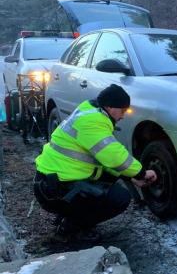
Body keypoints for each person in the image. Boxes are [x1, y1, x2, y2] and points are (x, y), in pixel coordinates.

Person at [34, 84, 157, 241]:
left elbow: (102, 160)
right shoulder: (93, 122)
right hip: (53, 190)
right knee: (120, 198)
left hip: (51, 182)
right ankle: (71, 227)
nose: (123, 116)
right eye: (123, 110)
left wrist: (129, 177)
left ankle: (69, 215)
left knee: (109, 178)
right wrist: (142, 173)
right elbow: (114, 156)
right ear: (110, 107)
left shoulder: (88, 112)